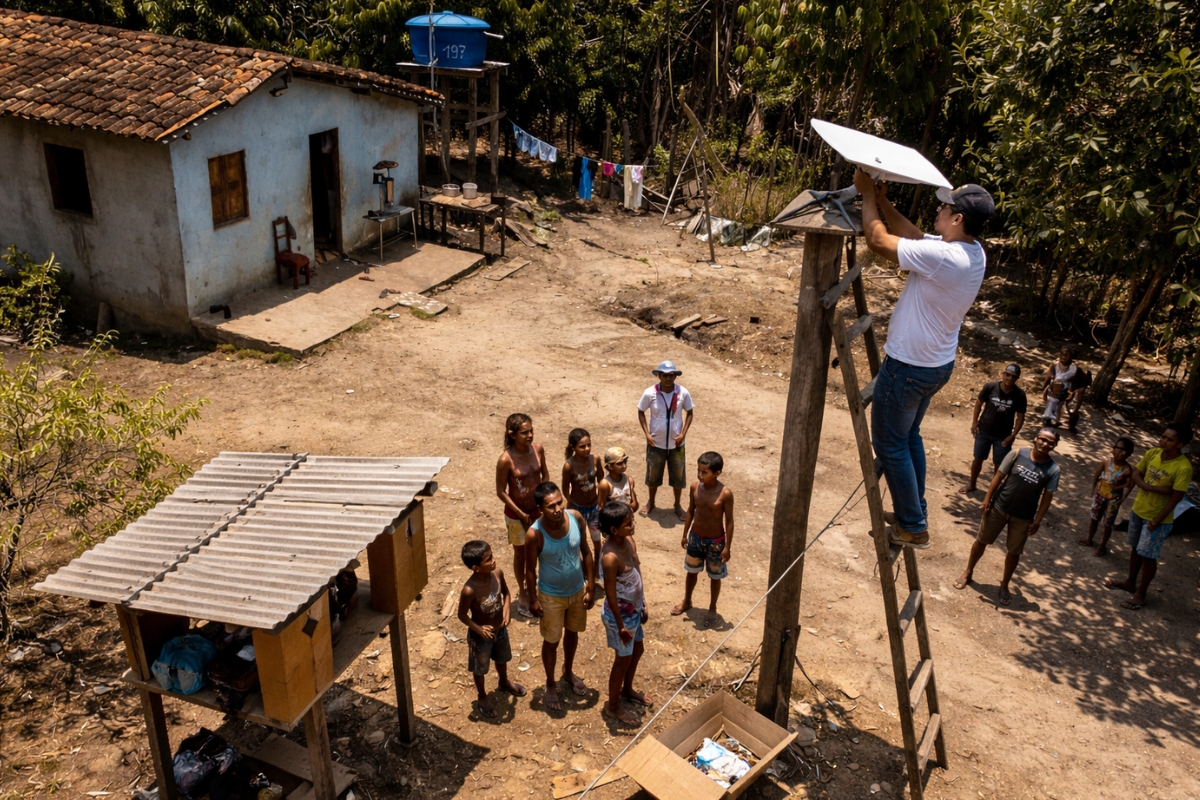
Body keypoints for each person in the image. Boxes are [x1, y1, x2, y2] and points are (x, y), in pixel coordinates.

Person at [855, 170, 995, 548]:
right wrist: (883, 201)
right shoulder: (970, 250)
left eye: (945, 207)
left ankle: (913, 525)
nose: (939, 209)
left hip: (908, 367)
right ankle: (913, 509)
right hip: (934, 365)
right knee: (908, 437)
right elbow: (916, 237)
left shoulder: (946, 258)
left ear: (958, 219)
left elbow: (877, 239)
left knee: (889, 444)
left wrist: (867, 195)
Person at [954, 428, 1061, 606]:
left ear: (1054, 446)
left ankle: (1004, 584)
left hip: (1023, 517)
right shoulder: (1017, 453)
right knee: (981, 541)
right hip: (999, 507)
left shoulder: (1053, 469)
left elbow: (1046, 499)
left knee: (1013, 552)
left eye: (1050, 442)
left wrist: (1037, 521)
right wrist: (987, 499)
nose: (1045, 444)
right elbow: (999, 476)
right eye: (1043, 439)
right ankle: (968, 571)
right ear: (1036, 439)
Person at [1105, 424, 1193, 610]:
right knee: (1135, 549)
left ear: (1180, 444)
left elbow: (1176, 497)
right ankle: (1130, 582)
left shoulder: (1183, 467)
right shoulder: (1153, 453)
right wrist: (1150, 488)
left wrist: (1156, 521)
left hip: (1157, 519)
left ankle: (1141, 594)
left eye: (1169, 439)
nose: (1163, 441)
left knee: (1148, 556)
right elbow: (1137, 472)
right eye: (1163, 436)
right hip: (1139, 510)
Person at [524, 481, 595, 711]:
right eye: (551, 506)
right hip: (550, 596)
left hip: (576, 590)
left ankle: (568, 671)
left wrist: (591, 585)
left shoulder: (576, 518)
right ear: (539, 509)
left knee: (572, 633)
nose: (557, 509)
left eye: (559, 503)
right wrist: (533, 599)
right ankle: (550, 683)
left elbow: (586, 551)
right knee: (551, 641)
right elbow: (529, 569)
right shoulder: (535, 534)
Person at [456, 541, 526, 718]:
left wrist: (507, 610)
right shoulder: (469, 590)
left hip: (500, 630)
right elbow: (462, 615)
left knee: (502, 659)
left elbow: (507, 594)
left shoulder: (497, 573)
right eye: (488, 559)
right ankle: (482, 696)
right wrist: (478, 629)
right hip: (481, 637)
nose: (494, 560)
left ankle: (504, 681)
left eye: (492, 555)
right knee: (480, 668)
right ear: (476, 568)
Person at [597, 501, 652, 727]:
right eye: (628, 524)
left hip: (634, 612)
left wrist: (643, 603)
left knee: (637, 649)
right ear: (613, 530)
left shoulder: (628, 542)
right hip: (620, 617)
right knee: (622, 660)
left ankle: (627, 690)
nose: (633, 526)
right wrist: (621, 626)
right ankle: (613, 707)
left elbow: (637, 571)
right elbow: (610, 594)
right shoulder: (610, 557)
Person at [670, 452, 734, 627]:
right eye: (698, 470)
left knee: (715, 576)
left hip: (715, 542)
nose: (700, 475)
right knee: (691, 571)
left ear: (717, 472)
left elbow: (729, 520)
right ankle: (687, 600)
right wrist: (685, 534)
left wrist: (727, 546)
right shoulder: (694, 487)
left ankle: (712, 607)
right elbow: (691, 510)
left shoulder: (725, 493)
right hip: (695, 538)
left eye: (704, 472)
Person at [496, 413, 550, 617]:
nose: (530, 435)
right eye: (524, 432)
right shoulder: (505, 459)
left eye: (531, 431)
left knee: (542, 550)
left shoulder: (538, 449)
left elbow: (544, 474)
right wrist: (520, 513)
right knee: (521, 556)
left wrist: (543, 501)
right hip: (516, 515)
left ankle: (542, 588)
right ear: (512, 434)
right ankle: (523, 591)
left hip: (538, 511)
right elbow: (501, 491)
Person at [637, 360, 694, 520]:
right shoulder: (650, 393)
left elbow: (690, 412)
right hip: (656, 443)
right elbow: (641, 411)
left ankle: (677, 504)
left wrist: (683, 433)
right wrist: (647, 434)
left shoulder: (682, 392)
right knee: (653, 476)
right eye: (665, 375)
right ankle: (651, 502)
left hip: (677, 444)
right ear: (659, 375)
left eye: (671, 375)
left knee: (678, 476)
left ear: (675, 376)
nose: (668, 378)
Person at [961, 364, 1027, 493]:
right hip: (984, 431)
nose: (1009, 378)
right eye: (1007, 374)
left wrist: (1013, 435)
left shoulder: (1019, 395)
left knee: (1000, 464)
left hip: (1003, 436)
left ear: (1017, 378)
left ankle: (993, 490)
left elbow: (1020, 417)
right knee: (978, 458)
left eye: (1013, 376)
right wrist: (974, 423)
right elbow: (978, 404)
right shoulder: (990, 387)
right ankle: (972, 484)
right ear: (1002, 374)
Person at [1075, 436, 1134, 556]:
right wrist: (1094, 490)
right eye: (1119, 449)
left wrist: (1121, 497)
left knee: (1108, 524)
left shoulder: (1127, 469)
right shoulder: (1106, 462)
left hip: (1113, 500)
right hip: (1100, 496)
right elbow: (1097, 476)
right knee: (1094, 518)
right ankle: (1089, 539)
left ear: (1129, 454)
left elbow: (1129, 485)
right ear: (1113, 449)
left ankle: (1102, 546)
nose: (1121, 453)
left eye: (1125, 451)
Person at [562, 428, 605, 570]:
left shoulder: (595, 459)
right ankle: (583, 569)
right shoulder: (569, 465)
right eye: (582, 446)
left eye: (589, 445)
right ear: (572, 447)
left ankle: (597, 566)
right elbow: (564, 487)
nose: (587, 449)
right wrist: (569, 501)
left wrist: (600, 499)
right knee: (579, 541)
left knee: (597, 540)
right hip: (577, 508)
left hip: (594, 508)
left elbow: (601, 480)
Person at [1041, 347, 1077, 427]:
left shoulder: (1073, 368)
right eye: (1062, 355)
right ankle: (1048, 417)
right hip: (1054, 390)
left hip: (1067, 390)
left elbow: (1070, 379)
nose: (1063, 357)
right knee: (1051, 401)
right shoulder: (1055, 364)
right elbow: (1049, 374)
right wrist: (1050, 380)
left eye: (1066, 355)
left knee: (1063, 405)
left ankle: (1061, 420)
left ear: (1071, 357)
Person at [598, 446, 640, 513]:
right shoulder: (605, 484)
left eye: (625, 461)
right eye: (619, 463)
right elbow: (601, 508)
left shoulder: (629, 480)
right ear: (610, 466)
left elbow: (635, 505)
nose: (624, 466)